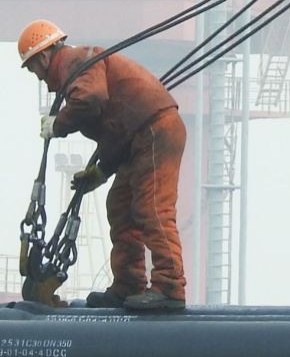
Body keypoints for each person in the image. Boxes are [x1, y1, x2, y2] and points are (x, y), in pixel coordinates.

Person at [19, 19, 187, 312]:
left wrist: (57, 125)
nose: (38, 79)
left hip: (154, 131)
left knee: (152, 208)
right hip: (137, 138)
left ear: (43, 57)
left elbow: (92, 100)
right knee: (120, 207)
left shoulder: (73, 61)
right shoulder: (77, 66)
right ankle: (129, 284)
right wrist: (102, 170)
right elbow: (116, 126)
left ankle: (170, 286)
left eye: (33, 69)